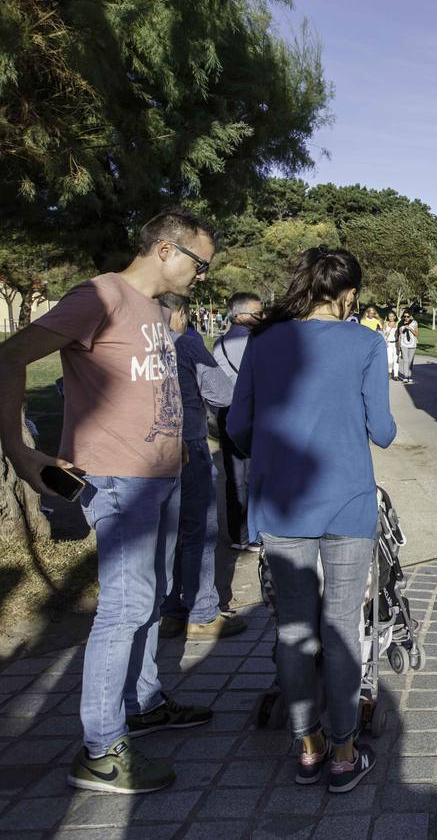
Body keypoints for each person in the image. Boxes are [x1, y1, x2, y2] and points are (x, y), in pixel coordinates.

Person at [0, 209, 217, 794]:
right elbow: (10, 356)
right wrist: (20, 451)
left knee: (149, 600)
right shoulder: (99, 295)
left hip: (162, 477)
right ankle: (100, 750)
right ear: (167, 250)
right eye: (199, 265)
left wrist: (180, 452)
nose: (202, 277)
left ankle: (141, 702)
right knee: (125, 606)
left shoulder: (150, 310)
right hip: (118, 480)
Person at [226, 246, 395, 792]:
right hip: (347, 501)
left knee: (294, 630)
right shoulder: (367, 342)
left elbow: (237, 425)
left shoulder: (264, 340)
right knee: (341, 625)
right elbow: (384, 430)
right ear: (348, 293)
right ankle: (345, 754)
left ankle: (308, 747)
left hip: (280, 502)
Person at [157, 294, 243, 640]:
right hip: (189, 444)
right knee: (198, 532)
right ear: (180, 311)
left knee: (166, 535)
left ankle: (170, 610)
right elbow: (221, 393)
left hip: (151, 449)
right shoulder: (188, 343)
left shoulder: (140, 342)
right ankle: (203, 612)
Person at [215, 292, 263, 553]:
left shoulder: (218, 344)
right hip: (257, 414)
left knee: (234, 477)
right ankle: (257, 532)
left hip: (227, 414)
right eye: (258, 311)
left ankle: (239, 534)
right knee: (258, 475)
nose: (262, 316)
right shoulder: (261, 343)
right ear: (241, 315)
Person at [396, 310, 419, 382]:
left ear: (410, 316)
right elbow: (400, 335)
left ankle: (409, 375)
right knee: (405, 360)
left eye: (408, 316)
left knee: (410, 361)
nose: (406, 318)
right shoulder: (400, 323)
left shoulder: (414, 323)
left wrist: (410, 328)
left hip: (412, 344)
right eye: (405, 316)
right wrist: (398, 345)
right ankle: (405, 376)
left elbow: (416, 334)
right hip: (404, 344)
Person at [382, 311, 398, 378]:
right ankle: (389, 372)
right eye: (389, 316)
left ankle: (396, 375)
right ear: (388, 317)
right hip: (388, 344)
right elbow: (383, 334)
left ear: (395, 317)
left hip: (396, 344)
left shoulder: (397, 324)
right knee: (390, 360)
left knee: (396, 360)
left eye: (392, 316)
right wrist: (385, 334)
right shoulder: (385, 323)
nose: (391, 317)